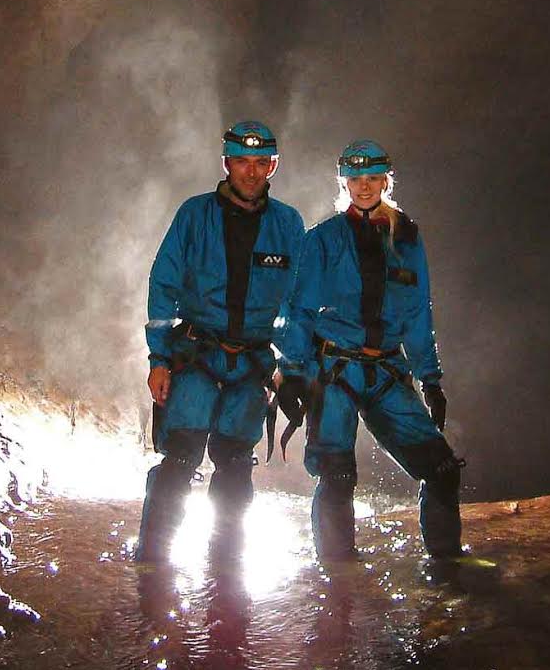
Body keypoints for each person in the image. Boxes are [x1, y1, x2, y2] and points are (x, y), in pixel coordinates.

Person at [276, 138, 463, 561]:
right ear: (344, 182)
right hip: (335, 371)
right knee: (337, 476)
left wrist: (429, 379)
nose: (364, 187)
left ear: (385, 180)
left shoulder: (407, 238)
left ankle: (448, 568)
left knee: (441, 470)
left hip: (386, 372)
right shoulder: (323, 239)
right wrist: (291, 370)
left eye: (372, 178)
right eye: (355, 179)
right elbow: (299, 308)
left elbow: (417, 312)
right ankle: (336, 574)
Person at [135, 120, 306, 563]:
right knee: (180, 461)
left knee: (234, 468)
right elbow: (163, 285)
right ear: (226, 162)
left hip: (250, 365)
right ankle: (152, 564)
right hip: (197, 355)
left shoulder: (288, 225)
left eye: (261, 163)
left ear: (274, 166)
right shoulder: (194, 215)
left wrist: (290, 365)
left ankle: (224, 568)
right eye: (242, 161)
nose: (251, 172)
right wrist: (159, 357)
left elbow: (296, 301)